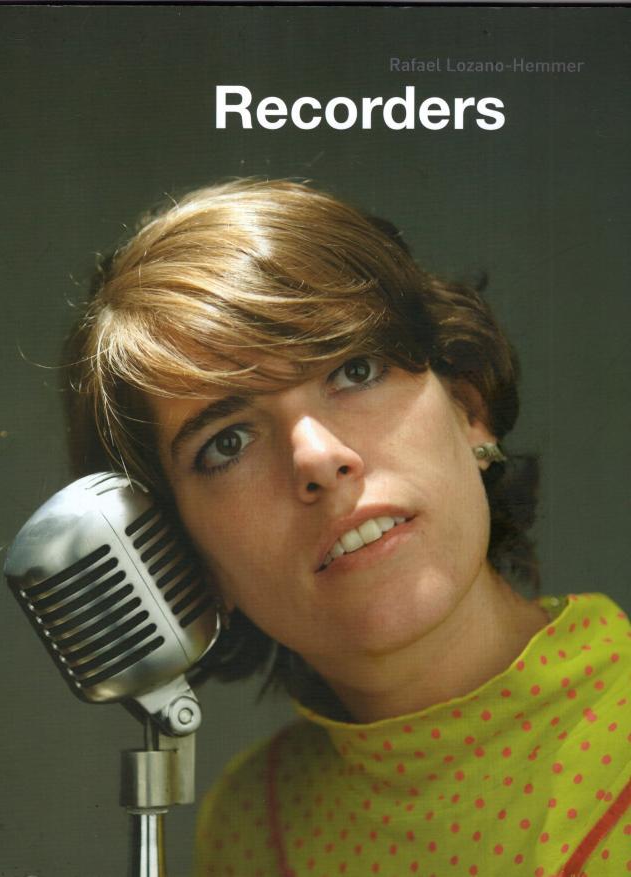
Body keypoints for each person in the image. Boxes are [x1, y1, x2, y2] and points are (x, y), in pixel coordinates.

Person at [64, 179, 629, 877]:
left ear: (468, 404)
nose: (318, 458)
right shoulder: (248, 828)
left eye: (355, 370)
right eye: (228, 443)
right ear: (182, 557)